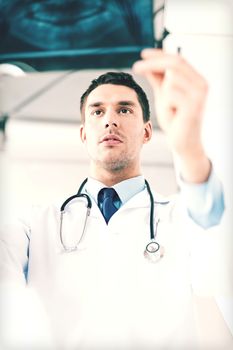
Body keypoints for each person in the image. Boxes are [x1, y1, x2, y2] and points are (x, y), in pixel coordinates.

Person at [0, 49, 227, 350]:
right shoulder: (34, 224)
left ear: (147, 132)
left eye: (124, 110)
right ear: (83, 134)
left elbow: (210, 228)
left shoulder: (177, 216)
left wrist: (190, 151)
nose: (110, 120)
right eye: (97, 111)